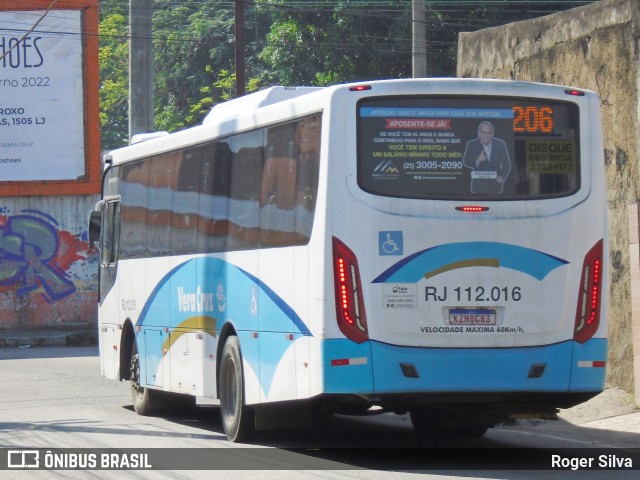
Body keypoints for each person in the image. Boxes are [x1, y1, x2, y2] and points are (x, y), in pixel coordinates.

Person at [463, 120, 511, 194]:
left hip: (495, 186)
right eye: (483, 132)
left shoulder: (500, 144)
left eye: (488, 133)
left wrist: (502, 176)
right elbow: (466, 161)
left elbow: (507, 163)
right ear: (479, 133)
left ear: (492, 134)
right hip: (478, 187)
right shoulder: (471, 144)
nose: (485, 136)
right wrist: (477, 160)